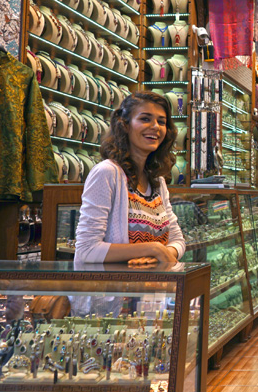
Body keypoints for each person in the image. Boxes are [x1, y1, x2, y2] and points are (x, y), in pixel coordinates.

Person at [74, 90, 186, 265]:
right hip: (111, 290)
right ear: (125, 125)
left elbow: (178, 241)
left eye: (161, 122)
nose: (155, 126)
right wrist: (153, 249)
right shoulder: (107, 173)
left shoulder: (157, 182)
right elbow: (87, 249)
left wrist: (160, 253)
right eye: (145, 119)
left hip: (148, 288)